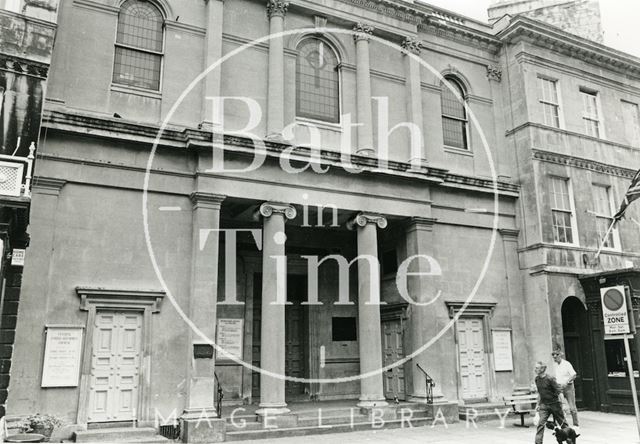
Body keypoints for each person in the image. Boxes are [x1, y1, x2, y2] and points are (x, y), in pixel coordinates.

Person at [533, 361, 567, 444]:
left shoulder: (550, 379)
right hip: (544, 405)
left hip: (555, 404)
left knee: (563, 424)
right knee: (540, 424)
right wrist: (538, 404)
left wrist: (564, 404)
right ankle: (538, 442)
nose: (535, 369)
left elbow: (559, 391)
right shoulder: (537, 379)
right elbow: (540, 393)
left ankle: (569, 439)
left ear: (543, 369)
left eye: (537, 368)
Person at [551, 348, 579, 427]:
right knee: (560, 406)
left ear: (560, 355)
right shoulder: (555, 365)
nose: (555, 358)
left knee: (572, 407)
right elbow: (554, 376)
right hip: (559, 387)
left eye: (556, 356)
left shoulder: (567, 364)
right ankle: (563, 424)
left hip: (568, 387)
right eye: (553, 356)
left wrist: (566, 382)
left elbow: (573, 375)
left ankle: (576, 425)